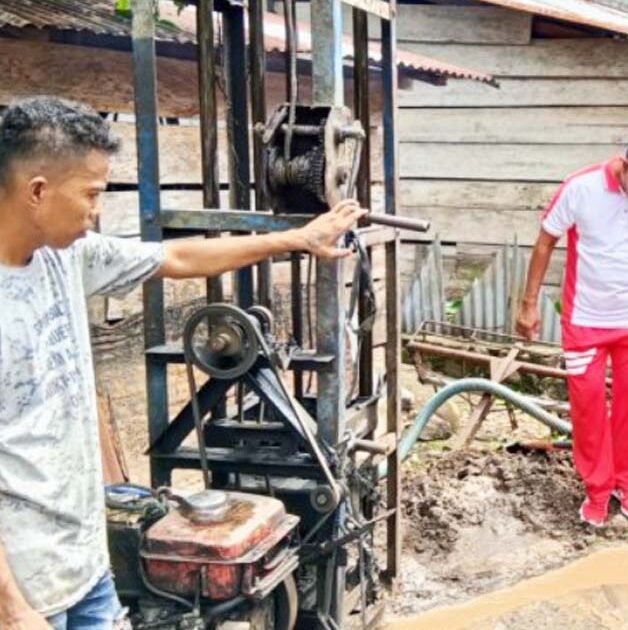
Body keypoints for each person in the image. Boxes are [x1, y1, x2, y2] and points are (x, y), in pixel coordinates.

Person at [0, 97, 365, 629]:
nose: (97, 211)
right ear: (37, 191)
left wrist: (299, 239)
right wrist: (11, 609)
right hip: (26, 593)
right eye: (91, 194)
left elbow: (175, 258)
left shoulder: (66, 255)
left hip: (85, 567)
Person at [515, 134, 628, 527]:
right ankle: (597, 488)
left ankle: (627, 482)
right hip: (585, 319)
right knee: (589, 404)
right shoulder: (582, 186)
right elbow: (546, 242)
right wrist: (528, 304)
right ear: (626, 164)